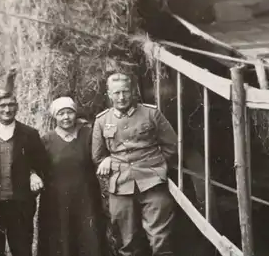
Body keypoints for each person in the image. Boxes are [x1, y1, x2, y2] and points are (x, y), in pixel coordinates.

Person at [92, 72, 178, 256]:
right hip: (121, 185)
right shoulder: (102, 121)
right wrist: (108, 159)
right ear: (109, 94)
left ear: (133, 92)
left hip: (153, 182)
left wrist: (157, 168)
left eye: (125, 92)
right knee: (127, 241)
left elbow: (171, 145)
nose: (121, 97)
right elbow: (98, 155)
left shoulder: (150, 113)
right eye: (116, 93)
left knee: (160, 239)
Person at [0, 89, 48, 256]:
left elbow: (43, 166)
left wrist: (34, 173)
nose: (7, 110)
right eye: (2, 105)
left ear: (17, 107)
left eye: (11, 105)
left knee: (22, 251)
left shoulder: (30, 134)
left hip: (20, 206)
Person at [38, 97, 108, 256]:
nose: (65, 117)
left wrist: (107, 159)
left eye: (69, 112)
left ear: (75, 113)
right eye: (61, 113)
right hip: (57, 199)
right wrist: (33, 175)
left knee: (89, 235)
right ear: (54, 116)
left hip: (86, 197)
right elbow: (35, 165)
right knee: (61, 237)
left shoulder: (88, 134)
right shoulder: (46, 140)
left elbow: (103, 153)